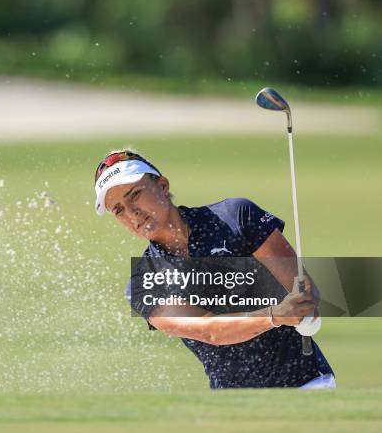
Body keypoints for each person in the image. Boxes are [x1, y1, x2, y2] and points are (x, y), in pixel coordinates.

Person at [93, 149, 335, 389]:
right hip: (231, 407)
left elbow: (301, 288)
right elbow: (209, 331)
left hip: (307, 383)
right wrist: (274, 315)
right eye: (118, 210)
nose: (131, 212)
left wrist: (304, 304)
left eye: (135, 194)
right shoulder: (143, 282)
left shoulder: (235, 217)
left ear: (163, 186)